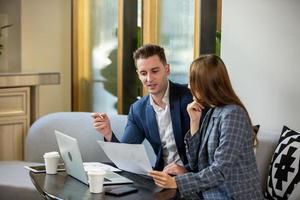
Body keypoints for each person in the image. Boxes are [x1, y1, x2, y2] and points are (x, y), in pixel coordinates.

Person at [149, 55, 263, 199]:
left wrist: (176, 182)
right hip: (210, 194)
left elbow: (220, 170)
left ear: (207, 85)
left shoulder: (233, 114)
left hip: (231, 195)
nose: (189, 86)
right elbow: (196, 163)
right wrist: (194, 122)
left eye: (193, 81)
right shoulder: (213, 112)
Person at [92, 44, 195, 171]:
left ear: (167, 69)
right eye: (143, 73)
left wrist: (186, 171)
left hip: (191, 179)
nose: (149, 79)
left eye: (155, 71)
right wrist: (108, 133)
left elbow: (207, 151)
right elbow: (126, 155)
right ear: (138, 75)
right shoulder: (137, 110)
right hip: (161, 177)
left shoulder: (191, 97)